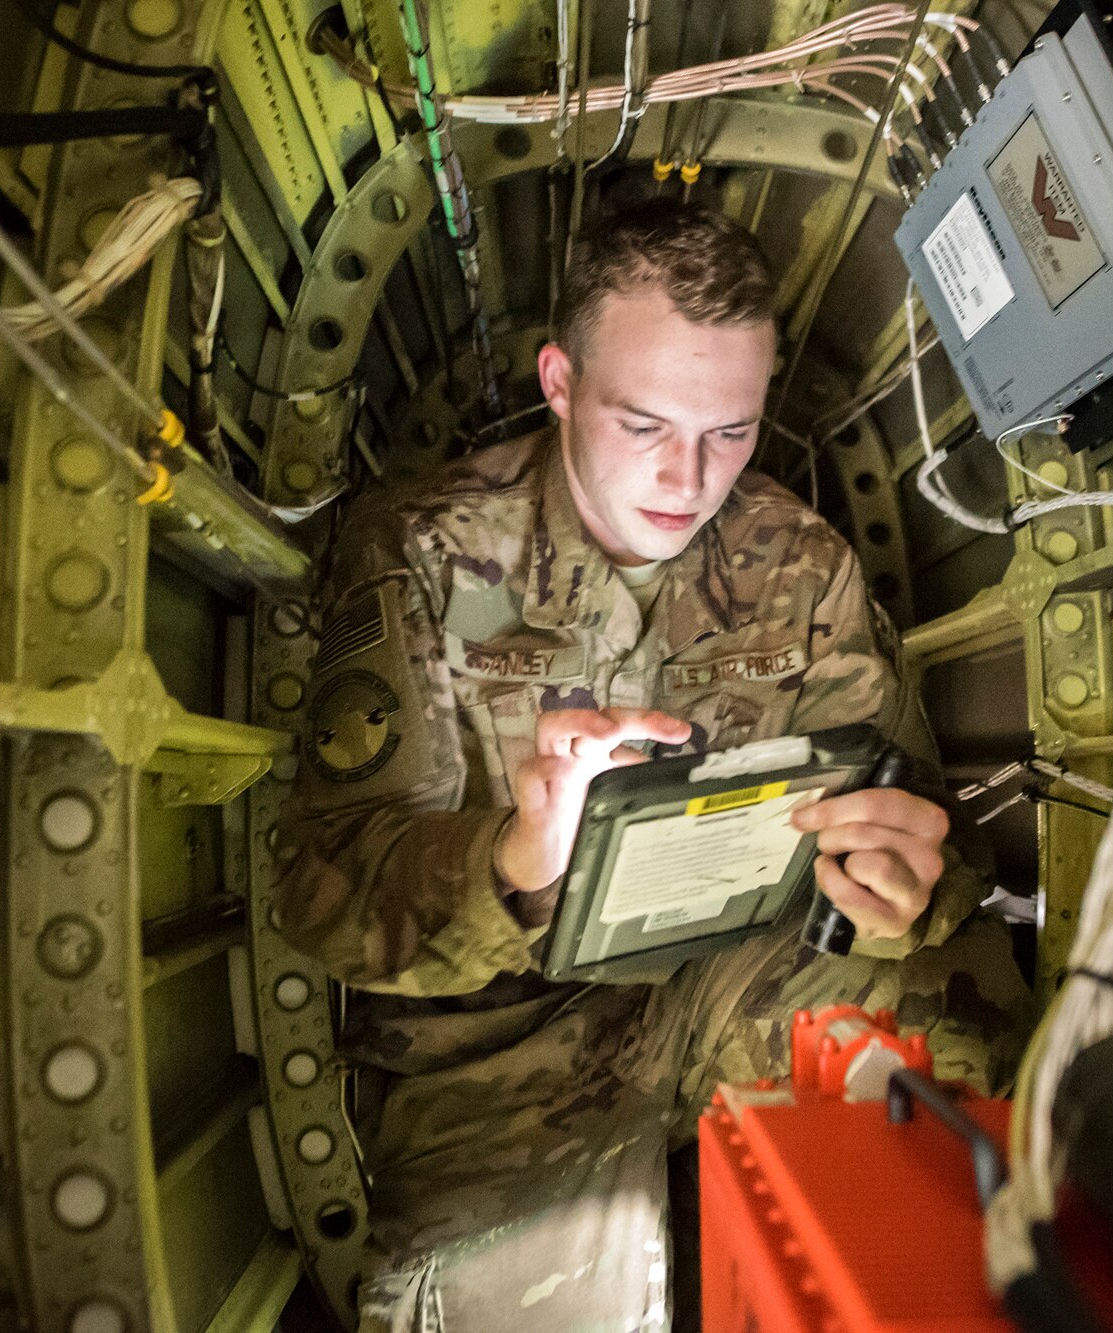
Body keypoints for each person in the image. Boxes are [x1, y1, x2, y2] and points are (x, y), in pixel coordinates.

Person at [276, 200, 1029, 1331]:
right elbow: (327, 892)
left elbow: (908, 819)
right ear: (559, 382)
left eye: (729, 431)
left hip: (737, 974)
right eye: (643, 425)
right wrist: (513, 858)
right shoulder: (420, 552)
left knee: (961, 1110)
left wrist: (908, 887)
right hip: (497, 1049)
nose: (689, 477)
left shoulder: (800, 562)